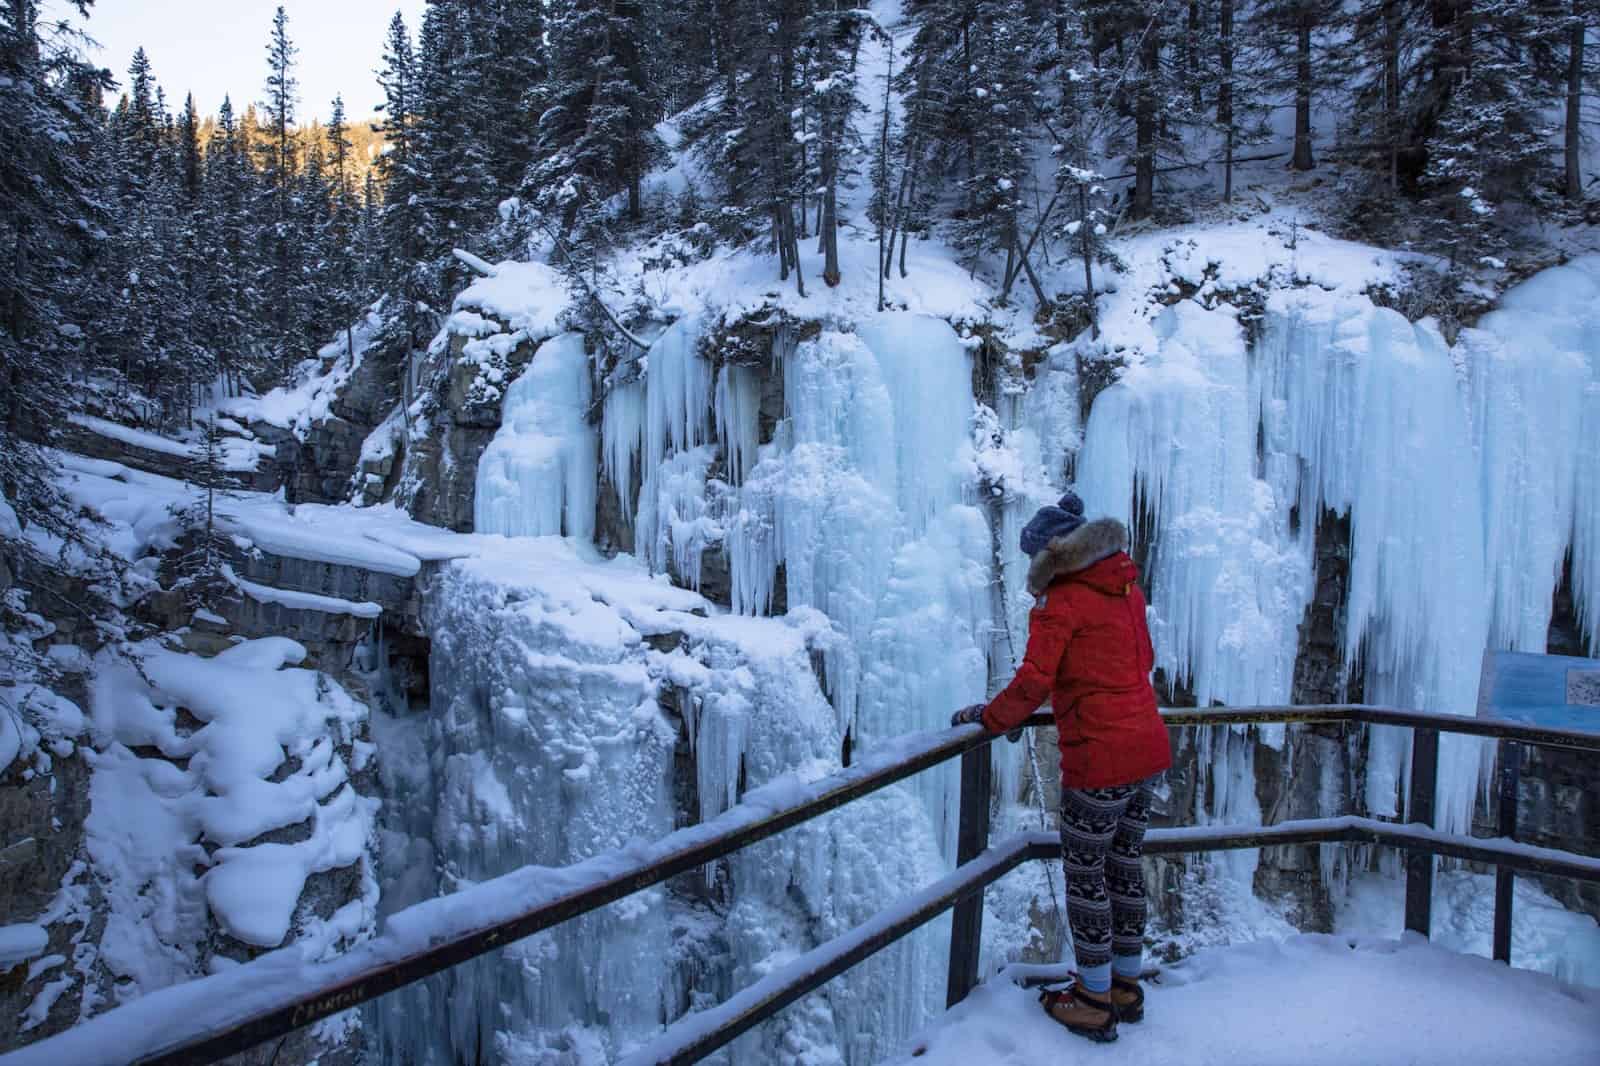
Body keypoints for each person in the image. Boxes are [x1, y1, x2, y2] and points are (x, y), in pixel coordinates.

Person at [951, 491, 1171, 1044]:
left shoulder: (1063, 601)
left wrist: (991, 718)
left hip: (1101, 760)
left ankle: (1092, 998)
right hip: (1146, 751)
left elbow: (1033, 681)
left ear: (1052, 556)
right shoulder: (1125, 587)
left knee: (1086, 875)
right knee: (1123, 866)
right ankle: (1124, 985)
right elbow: (1138, 663)